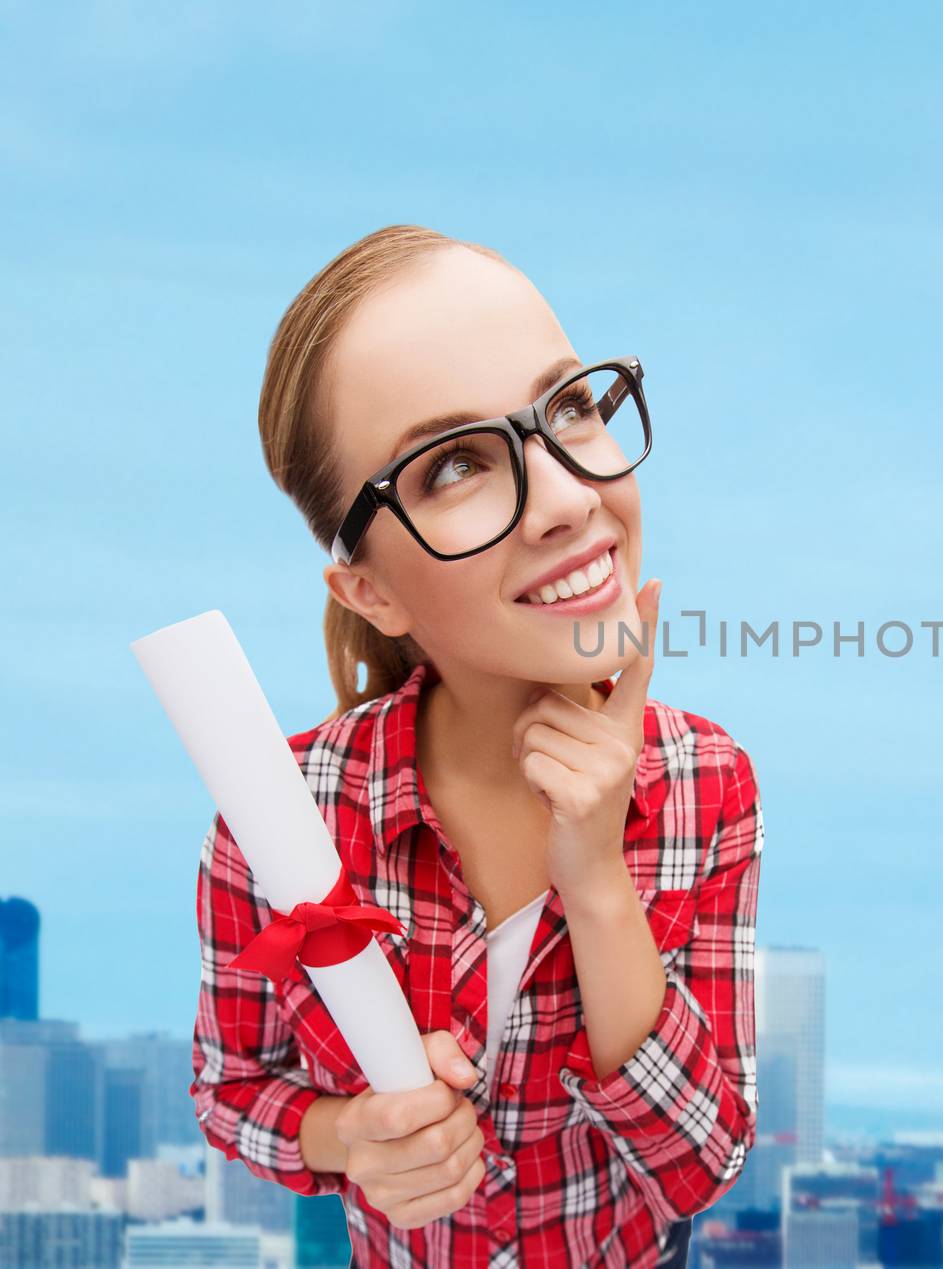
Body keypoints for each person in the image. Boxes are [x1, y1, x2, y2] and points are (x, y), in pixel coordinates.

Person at [188, 225, 762, 1268]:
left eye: (570, 409)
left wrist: (594, 877)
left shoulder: (702, 783)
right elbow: (232, 1089)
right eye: (455, 465)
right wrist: (345, 1138)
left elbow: (698, 1164)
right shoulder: (284, 810)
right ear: (370, 590)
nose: (566, 499)